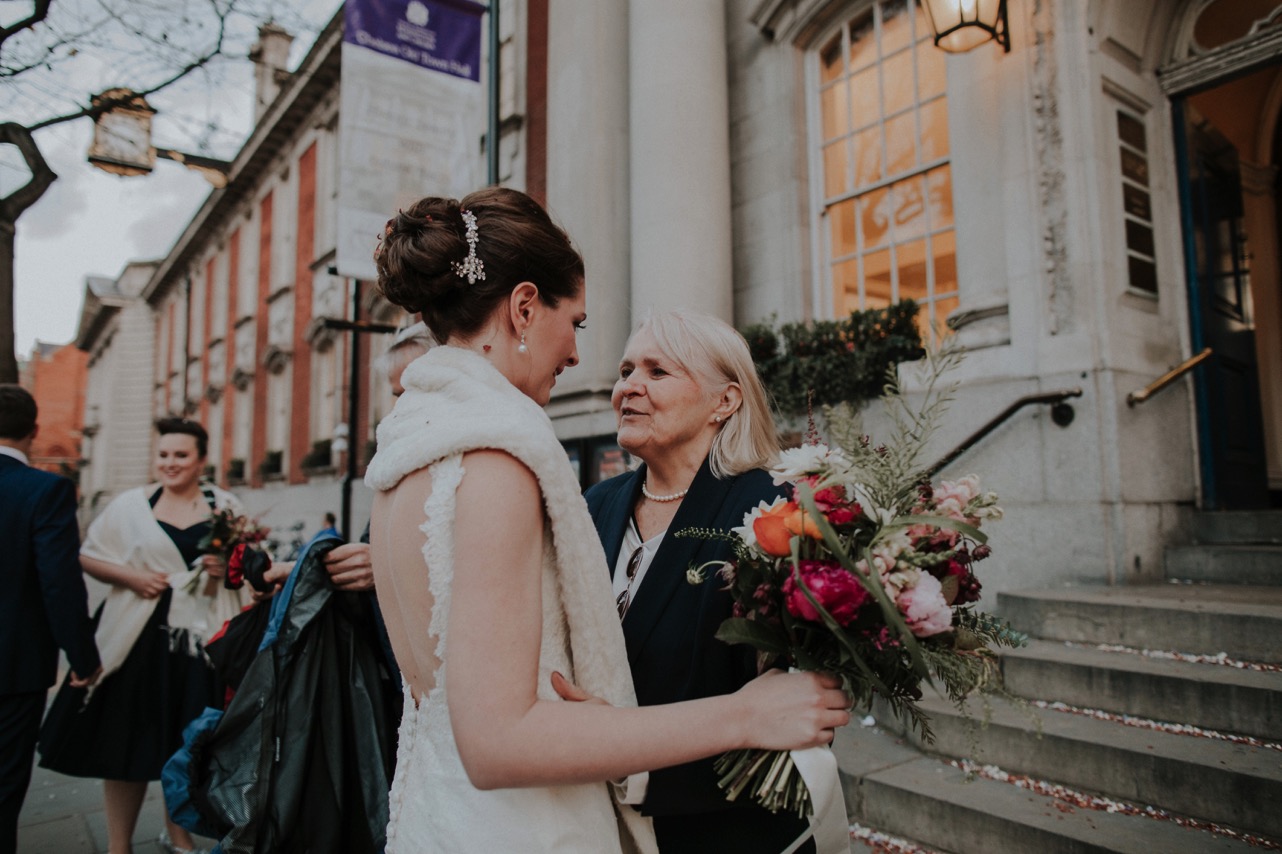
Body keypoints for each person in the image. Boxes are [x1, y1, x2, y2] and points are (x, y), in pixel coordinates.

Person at [365, 187, 849, 853]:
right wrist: (745, 714)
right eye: (579, 324)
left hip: (442, 814)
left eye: (657, 369)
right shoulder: (495, 460)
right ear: (525, 307)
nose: (576, 356)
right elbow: (499, 742)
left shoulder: (407, 449)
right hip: (524, 828)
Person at [585, 310, 837, 853]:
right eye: (626, 370)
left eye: (657, 372)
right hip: (593, 819)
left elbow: (791, 697)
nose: (628, 386)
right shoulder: (595, 505)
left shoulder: (775, 508)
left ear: (725, 401)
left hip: (725, 829)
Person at [38, 417, 248, 854]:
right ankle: (118, 845)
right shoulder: (129, 505)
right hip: (137, 639)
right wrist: (131, 577)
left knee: (189, 744)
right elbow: (90, 557)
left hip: (200, 643)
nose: (169, 464)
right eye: (163, 455)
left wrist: (225, 567)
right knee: (125, 745)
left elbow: (250, 569)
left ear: (202, 460)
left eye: (181, 456)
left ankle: (179, 834)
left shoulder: (225, 505)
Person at [0, 385, 101, 854]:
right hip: (13, 666)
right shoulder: (46, 489)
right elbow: (59, 582)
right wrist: (82, 659)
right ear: (34, 432)